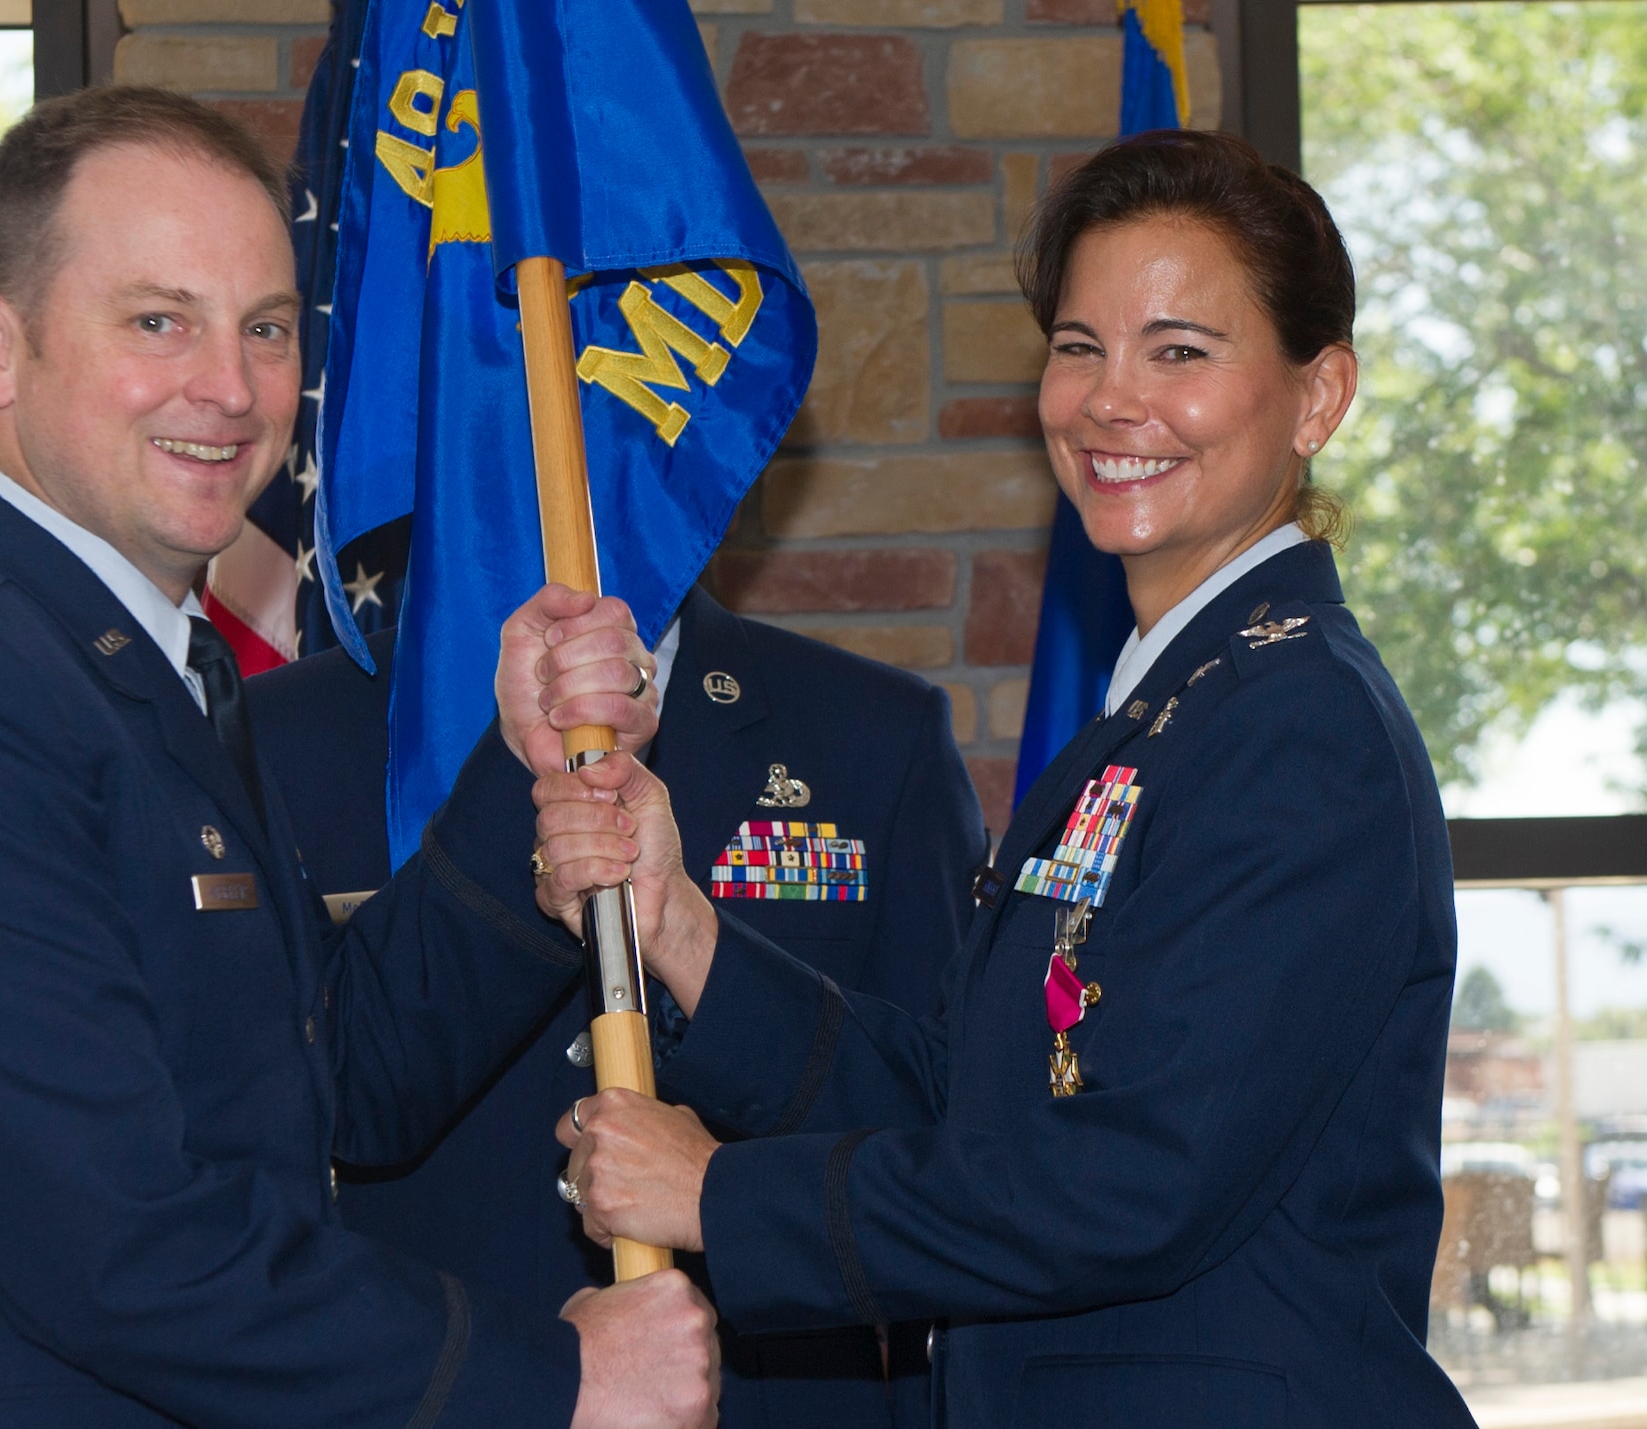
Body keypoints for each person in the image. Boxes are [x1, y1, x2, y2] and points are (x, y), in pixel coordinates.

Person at [0, 87, 716, 1429]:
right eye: (157, 320)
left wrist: (523, 793)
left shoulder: (129, 668)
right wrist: (552, 1378)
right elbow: (119, 1248)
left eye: (265, 329)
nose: (232, 389)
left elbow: (333, 1084)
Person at [545, 130, 1475, 1426]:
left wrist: (717, 1195)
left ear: (1319, 399)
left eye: (1181, 352)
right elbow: (979, 1100)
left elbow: (1134, 1180)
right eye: (1080, 346)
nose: (1110, 399)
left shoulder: (1297, 723)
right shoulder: (1162, 709)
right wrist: (682, 929)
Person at [248, 580, 987, 1428]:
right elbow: (285, 1124)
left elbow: (947, 1146)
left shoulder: (874, 731)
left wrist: (722, 1182)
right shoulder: (282, 730)